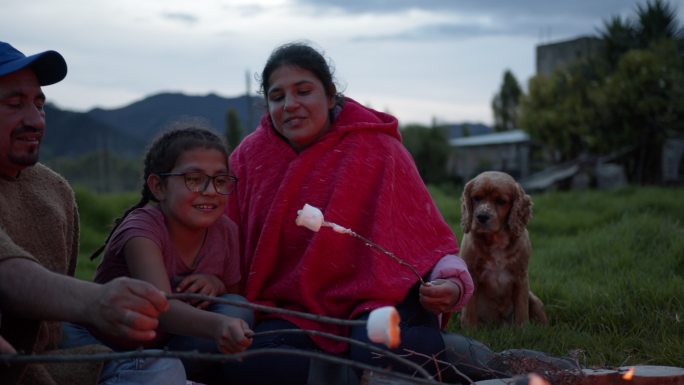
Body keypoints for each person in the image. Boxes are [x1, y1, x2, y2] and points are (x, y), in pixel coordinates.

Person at [225, 41, 475, 385]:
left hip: (380, 297)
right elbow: (224, 235)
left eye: (303, 91)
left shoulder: (379, 150)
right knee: (252, 358)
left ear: (330, 96)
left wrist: (451, 283)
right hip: (291, 308)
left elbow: (427, 239)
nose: (290, 105)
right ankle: (348, 374)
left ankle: (464, 355)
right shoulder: (249, 160)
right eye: (277, 96)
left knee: (379, 348)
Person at [0, 41, 185, 385]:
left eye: (39, 104)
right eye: (14, 104)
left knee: (164, 368)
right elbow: (8, 274)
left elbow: (53, 321)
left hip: (51, 359)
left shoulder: (54, 191)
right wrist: (96, 300)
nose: (35, 119)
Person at [76, 125, 254, 384]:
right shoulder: (141, 230)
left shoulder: (225, 230)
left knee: (237, 307)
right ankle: (143, 371)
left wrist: (216, 283)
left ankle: (163, 370)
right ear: (158, 187)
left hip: (169, 345)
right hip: (109, 343)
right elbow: (161, 309)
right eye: (194, 179)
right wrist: (218, 326)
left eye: (220, 180)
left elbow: (231, 290)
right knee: (224, 321)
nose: (210, 190)